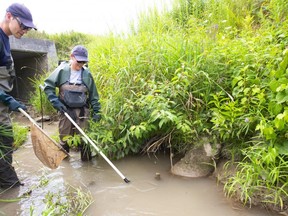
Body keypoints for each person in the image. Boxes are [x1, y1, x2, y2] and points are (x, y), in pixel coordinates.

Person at [0, 3, 37, 188]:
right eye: (23, 25)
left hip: (2, 106)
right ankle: (9, 187)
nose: (25, 31)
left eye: (28, 28)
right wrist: (7, 98)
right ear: (9, 16)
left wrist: (11, 99)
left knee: (6, 141)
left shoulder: (6, 39)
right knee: (4, 140)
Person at [43, 45, 101, 161]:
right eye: (79, 61)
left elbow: (94, 95)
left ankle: (87, 167)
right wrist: (56, 102)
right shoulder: (61, 70)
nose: (80, 64)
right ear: (72, 57)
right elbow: (48, 87)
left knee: (84, 140)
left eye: (83, 62)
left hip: (83, 111)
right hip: (65, 110)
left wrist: (97, 111)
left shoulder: (87, 74)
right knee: (64, 139)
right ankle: (65, 168)